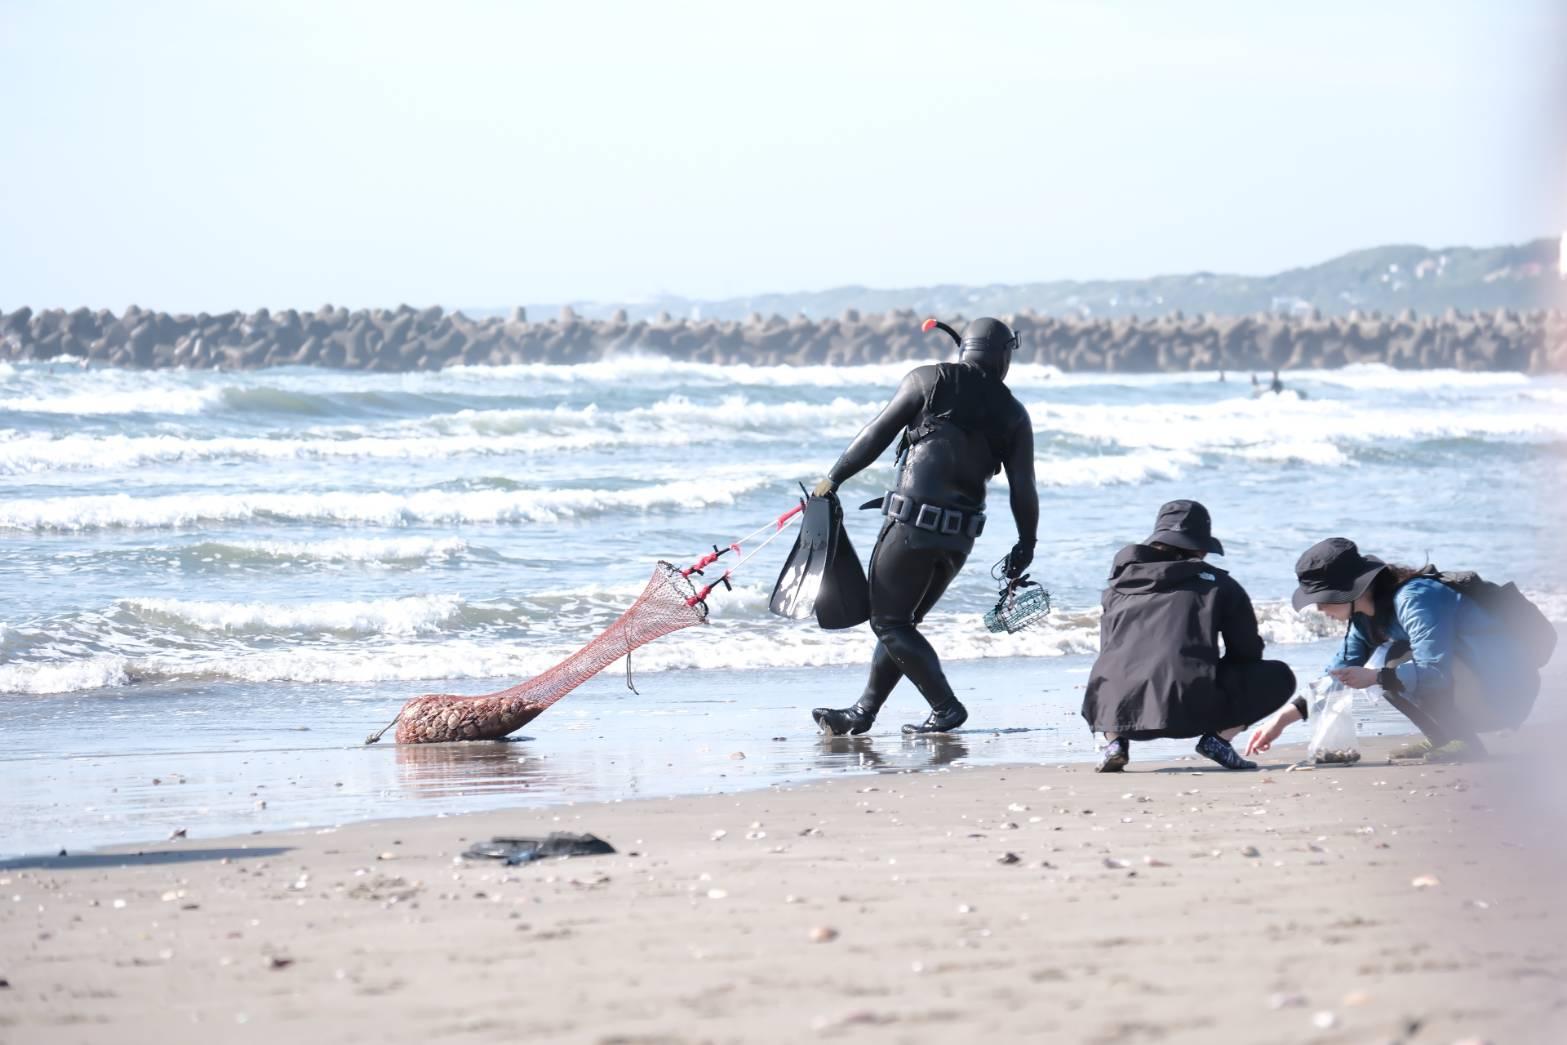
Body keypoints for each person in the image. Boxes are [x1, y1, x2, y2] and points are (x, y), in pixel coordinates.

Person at [808, 317, 1038, 736]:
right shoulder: (1014, 413)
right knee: (899, 623)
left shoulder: (928, 379)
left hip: (912, 527)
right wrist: (1027, 541)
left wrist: (833, 477)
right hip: (959, 540)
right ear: (1004, 354)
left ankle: (946, 706)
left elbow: (877, 433)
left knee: (890, 624)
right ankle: (863, 712)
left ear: (963, 347)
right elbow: (1024, 488)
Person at [1246, 538, 1542, 761]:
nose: (1320, 607)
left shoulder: (1415, 598)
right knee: (1386, 669)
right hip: (1469, 682)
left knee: (1391, 664)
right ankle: (1444, 737)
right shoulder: (1364, 619)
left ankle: (1466, 743)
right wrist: (1281, 721)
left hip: (1503, 690)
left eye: (1323, 598)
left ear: (1350, 591)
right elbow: (1337, 676)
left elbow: (1435, 672)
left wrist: (1375, 678)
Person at [1081, 500, 1297, 772]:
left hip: (1115, 712)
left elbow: (1109, 649)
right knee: (1279, 676)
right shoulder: (1220, 586)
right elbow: (1247, 652)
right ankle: (1218, 740)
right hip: (1190, 710)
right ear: (1201, 547)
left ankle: (1114, 744)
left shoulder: (1116, 588)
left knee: (1111, 673)